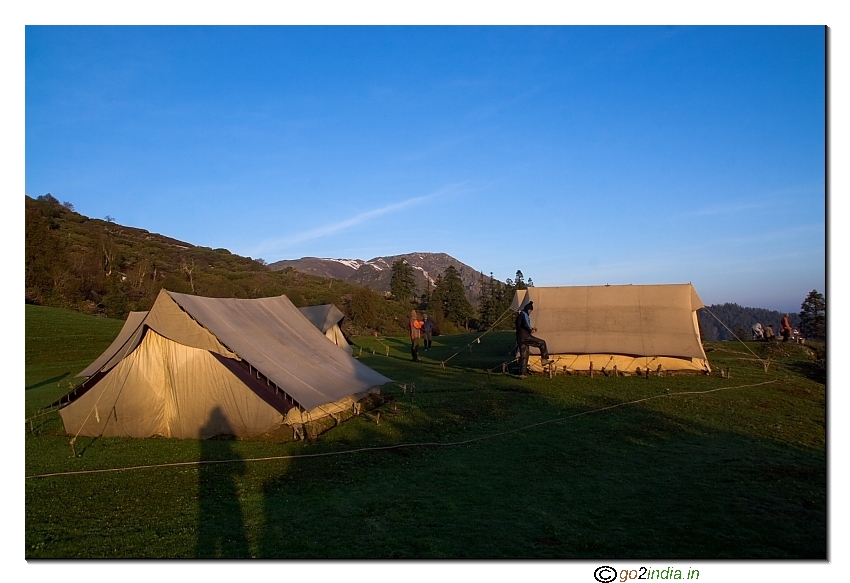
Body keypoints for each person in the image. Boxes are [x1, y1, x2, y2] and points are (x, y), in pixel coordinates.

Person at [515, 301, 551, 376]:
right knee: (542, 342)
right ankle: (544, 359)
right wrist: (530, 330)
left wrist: (530, 329)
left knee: (524, 355)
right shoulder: (524, 314)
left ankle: (523, 373)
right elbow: (525, 324)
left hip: (519, 337)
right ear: (528, 309)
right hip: (525, 336)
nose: (530, 312)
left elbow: (520, 325)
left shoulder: (520, 315)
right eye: (530, 310)